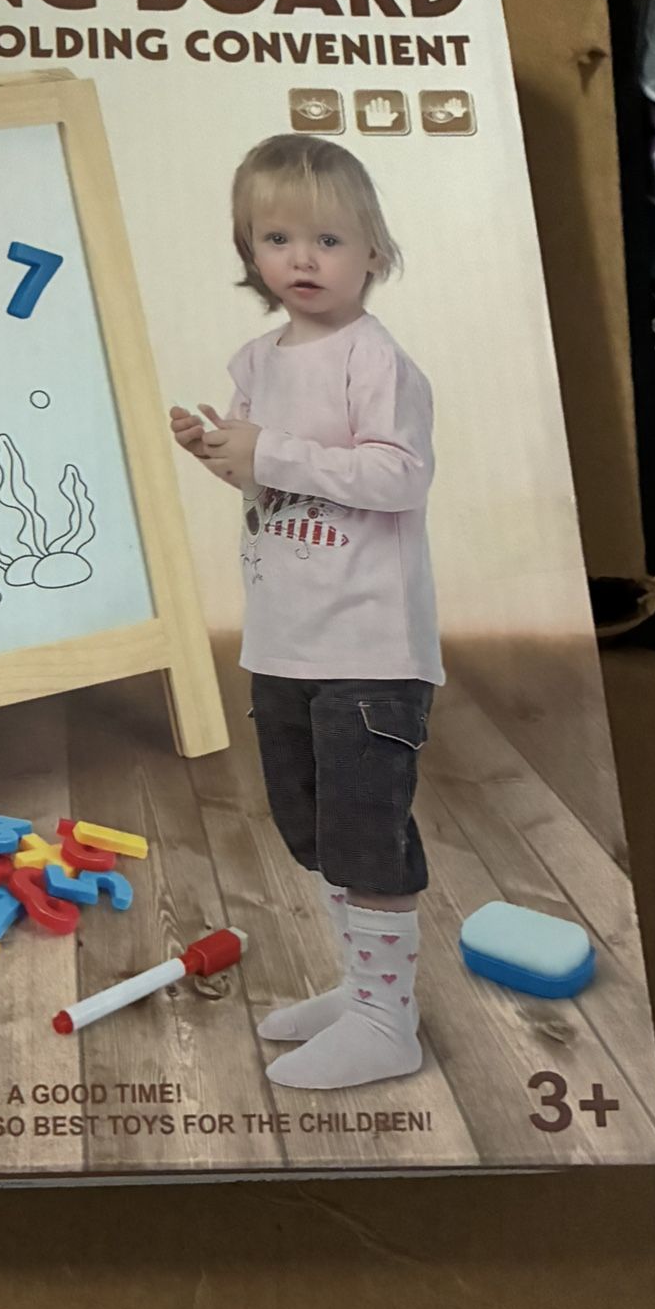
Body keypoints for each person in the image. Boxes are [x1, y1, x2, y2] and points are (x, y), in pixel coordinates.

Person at [170, 133, 442, 1089]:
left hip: (370, 647)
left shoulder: (376, 359)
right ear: (250, 252)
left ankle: (386, 1023)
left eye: (329, 240)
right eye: (278, 238)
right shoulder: (256, 359)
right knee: (315, 828)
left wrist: (270, 452)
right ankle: (363, 991)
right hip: (284, 642)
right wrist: (223, 454)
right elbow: (270, 485)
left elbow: (400, 477)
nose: (303, 259)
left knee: (368, 832)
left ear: (374, 251)